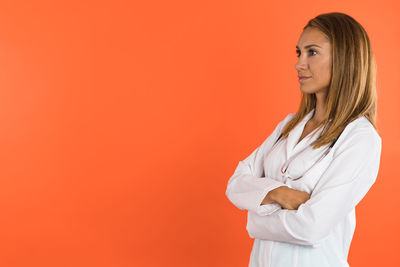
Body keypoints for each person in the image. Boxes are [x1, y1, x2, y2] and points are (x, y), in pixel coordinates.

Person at [225, 12, 382, 267]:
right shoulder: (289, 125)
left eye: (312, 52)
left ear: (345, 59)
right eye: (299, 53)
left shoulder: (360, 139)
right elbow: (235, 184)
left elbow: (312, 227)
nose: (299, 63)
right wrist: (279, 194)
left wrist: (254, 220)